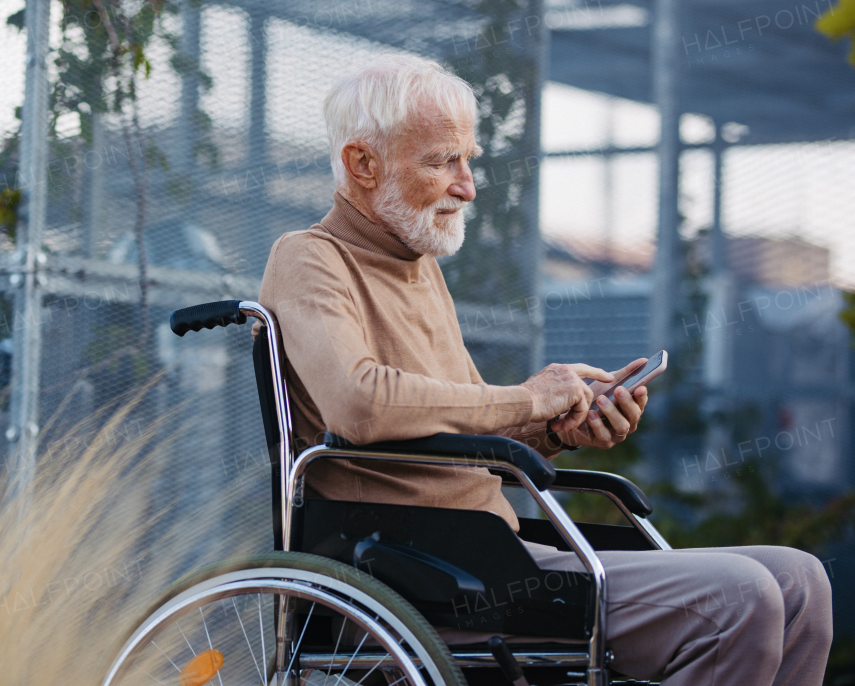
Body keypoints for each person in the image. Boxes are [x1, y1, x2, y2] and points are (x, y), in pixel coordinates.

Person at [258, 56, 832, 685]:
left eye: (468, 160)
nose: (467, 185)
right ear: (362, 164)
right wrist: (532, 399)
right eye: (441, 161)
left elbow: (451, 432)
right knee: (741, 597)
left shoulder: (419, 267)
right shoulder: (310, 258)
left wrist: (560, 429)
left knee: (801, 581)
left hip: (489, 555)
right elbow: (360, 406)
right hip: (417, 575)